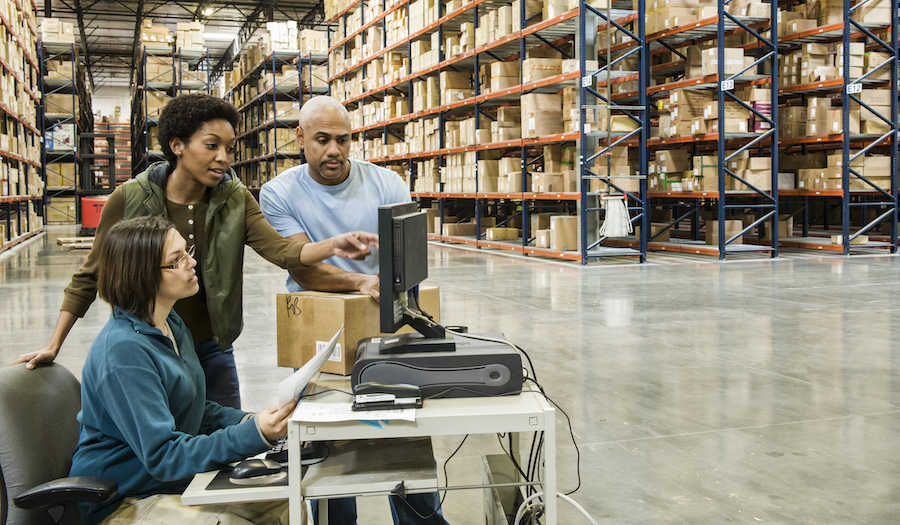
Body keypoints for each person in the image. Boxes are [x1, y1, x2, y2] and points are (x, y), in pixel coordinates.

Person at [10, 93, 377, 409]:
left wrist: (332, 245)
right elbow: (90, 276)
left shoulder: (235, 199)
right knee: (162, 444)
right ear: (177, 145)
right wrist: (54, 345)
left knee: (225, 440)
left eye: (230, 148)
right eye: (211, 145)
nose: (224, 158)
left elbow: (281, 251)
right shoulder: (130, 198)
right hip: (146, 347)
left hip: (212, 347)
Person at [259, 95, 448, 525]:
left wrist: (390, 280)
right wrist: (361, 281)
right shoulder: (279, 193)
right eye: (322, 139)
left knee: (403, 439)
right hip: (316, 332)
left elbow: (407, 257)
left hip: (385, 324)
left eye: (343, 140)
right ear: (300, 138)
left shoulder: (386, 183)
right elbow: (303, 268)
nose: (334, 150)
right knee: (329, 452)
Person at [69, 215, 297, 525]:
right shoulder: (123, 352)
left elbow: (193, 409)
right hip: (122, 499)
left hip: (163, 483)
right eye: (177, 260)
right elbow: (164, 456)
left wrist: (250, 421)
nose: (192, 263)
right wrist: (251, 436)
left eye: (187, 251)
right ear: (142, 275)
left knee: (284, 502)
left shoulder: (170, 324)